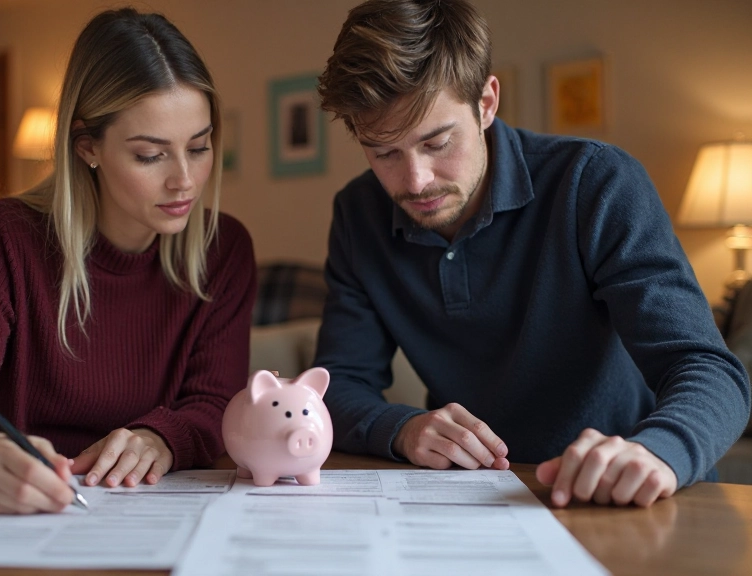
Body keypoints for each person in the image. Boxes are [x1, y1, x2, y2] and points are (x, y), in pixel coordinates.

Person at [314, 0, 751, 508]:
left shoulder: (596, 184)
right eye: (384, 152)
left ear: (486, 102)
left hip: (638, 497)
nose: (415, 181)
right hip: (471, 500)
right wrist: (403, 427)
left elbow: (708, 369)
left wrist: (655, 451)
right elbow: (336, 384)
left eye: (436, 143)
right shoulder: (357, 213)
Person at [0, 8, 256, 514]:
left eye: (198, 147)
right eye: (150, 155)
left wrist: (162, 438)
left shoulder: (225, 250)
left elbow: (215, 403)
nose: (185, 180)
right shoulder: (3, 237)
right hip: (27, 520)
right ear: (88, 145)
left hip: (152, 515)